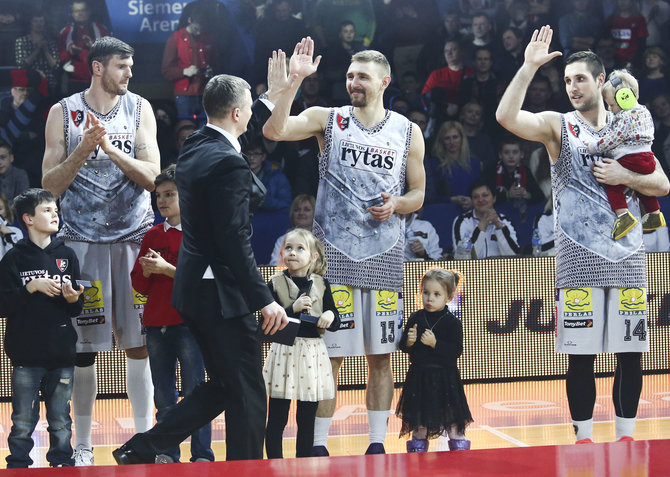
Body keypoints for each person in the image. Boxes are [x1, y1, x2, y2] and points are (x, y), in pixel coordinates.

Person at [112, 53, 289, 464]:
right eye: (249, 109)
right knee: (246, 390)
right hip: (222, 295)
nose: (250, 118)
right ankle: (247, 469)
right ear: (237, 112)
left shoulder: (196, 142)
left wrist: (273, 95)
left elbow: (230, 134)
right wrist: (264, 298)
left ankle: (143, 446)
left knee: (226, 385)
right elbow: (234, 243)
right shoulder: (228, 164)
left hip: (192, 292)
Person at [495, 25, 669, 444]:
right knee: (580, 358)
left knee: (631, 355)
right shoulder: (560, 126)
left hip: (627, 257)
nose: (571, 87)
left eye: (580, 79)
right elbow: (506, 118)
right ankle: (584, 439)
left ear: (601, 80)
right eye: (567, 80)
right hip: (578, 259)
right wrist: (528, 67)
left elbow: (661, 184)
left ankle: (626, 437)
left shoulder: (629, 123)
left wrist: (624, 174)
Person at [263, 38, 426, 455]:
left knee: (382, 358)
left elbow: (418, 193)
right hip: (333, 262)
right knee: (326, 359)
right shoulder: (328, 119)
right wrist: (294, 82)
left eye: (363, 76)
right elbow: (275, 130)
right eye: (351, 75)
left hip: (385, 258)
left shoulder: (408, 131)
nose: (354, 82)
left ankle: (375, 443)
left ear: (384, 81)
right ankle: (317, 445)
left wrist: (397, 204)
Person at [41, 37, 160, 466]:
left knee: (139, 345)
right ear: (96, 68)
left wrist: (110, 150)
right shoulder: (63, 113)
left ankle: (145, 440)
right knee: (84, 349)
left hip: (132, 239)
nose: (129, 73)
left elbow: (154, 177)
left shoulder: (140, 109)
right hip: (81, 243)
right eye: (121, 66)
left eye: (130, 66)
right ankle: (84, 445)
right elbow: (48, 188)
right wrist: (83, 149)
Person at [129, 165, 213, 464]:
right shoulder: (152, 234)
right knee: (164, 397)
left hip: (189, 324)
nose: (162, 201)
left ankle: (202, 455)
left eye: (169, 194)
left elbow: (207, 280)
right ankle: (166, 453)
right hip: (155, 324)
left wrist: (168, 269)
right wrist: (146, 270)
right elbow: (138, 283)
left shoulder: (199, 233)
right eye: (158, 195)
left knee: (195, 395)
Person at [0, 188, 84, 468]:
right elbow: (3, 305)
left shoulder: (68, 255)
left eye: (56, 211)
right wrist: (30, 287)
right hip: (25, 355)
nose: (55, 215)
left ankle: (62, 462)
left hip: (61, 353)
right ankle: (18, 464)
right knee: (23, 419)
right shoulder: (14, 258)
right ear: (28, 219)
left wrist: (74, 299)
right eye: (47, 210)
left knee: (61, 418)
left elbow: (75, 308)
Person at [264, 228, 340, 458]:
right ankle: (274, 463)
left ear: (314, 256)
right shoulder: (275, 283)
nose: (293, 253)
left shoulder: (322, 284)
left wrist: (330, 317)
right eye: (288, 248)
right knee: (277, 416)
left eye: (300, 248)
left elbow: (335, 320)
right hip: (284, 353)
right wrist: (291, 310)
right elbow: (265, 325)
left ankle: (304, 462)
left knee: (307, 416)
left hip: (312, 354)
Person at [396, 268, 473, 453]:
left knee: (453, 421)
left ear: (448, 296)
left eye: (436, 294)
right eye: (426, 293)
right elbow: (406, 348)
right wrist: (409, 341)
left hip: (446, 379)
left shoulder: (451, 322)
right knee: (420, 422)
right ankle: (417, 454)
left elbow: (456, 351)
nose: (429, 298)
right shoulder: (416, 317)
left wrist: (435, 343)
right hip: (420, 378)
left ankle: (460, 452)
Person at [585, 69, 664, 240]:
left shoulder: (624, 117)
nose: (610, 109)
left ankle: (624, 217)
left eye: (612, 105)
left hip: (631, 159)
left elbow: (612, 139)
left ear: (625, 97)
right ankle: (655, 214)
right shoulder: (644, 111)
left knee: (613, 187)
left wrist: (593, 147)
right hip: (648, 158)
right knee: (642, 189)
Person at [161, 5, 216, 122]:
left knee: (205, 128)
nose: (200, 30)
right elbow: (166, 70)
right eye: (197, 27)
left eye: (202, 27)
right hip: (184, 94)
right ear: (190, 20)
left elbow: (217, 62)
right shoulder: (175, 38)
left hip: (204, 92)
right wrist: (185, 71)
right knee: (186, 127)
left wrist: (211, 70)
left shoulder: (208, 38)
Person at [452, 179, 521, 259]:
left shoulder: (505, 221)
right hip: (473, 270)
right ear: (472, 200)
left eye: (485, 195)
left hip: (501, 270)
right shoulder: (462, 221)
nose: (480, 200)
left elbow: (514, 256)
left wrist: (499, 226)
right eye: (476, 197)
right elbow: (462, 258)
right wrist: (482, 225)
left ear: (494, 198)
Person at [57, 0, 110, 96]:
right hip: (73, 82)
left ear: (89, 12)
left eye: (83, 10)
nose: (80, 13)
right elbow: (59, 57)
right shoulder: (65, 32)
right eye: (76, 11)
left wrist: (93, 46)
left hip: (98, 80)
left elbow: (109, 55)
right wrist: (71, 52)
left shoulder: (101, 30)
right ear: (72, 14)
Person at [270, 194, 316, 265]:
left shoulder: (323, 241)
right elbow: (275, 266)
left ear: (315, 213)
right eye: (297, 210)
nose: (301, 213)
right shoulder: (282, 240)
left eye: (306, 210)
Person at [0, 194, 23, 260]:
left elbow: (17, 257)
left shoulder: (15, 231)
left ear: (6, 210)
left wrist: (9, 234)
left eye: (0, 209)